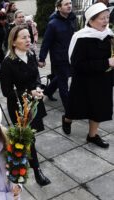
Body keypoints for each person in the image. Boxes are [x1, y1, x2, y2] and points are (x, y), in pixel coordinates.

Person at [0, 25, 51, 186]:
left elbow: (36, 76)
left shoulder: (31, 54)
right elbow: (6, 91)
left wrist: (38, 88)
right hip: (19, 108)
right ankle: (35, 171)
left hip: (34, 103)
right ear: (14, 42)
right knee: (28, 140)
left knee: (31, 137)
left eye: (28, 36)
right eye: (23, 37)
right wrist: (29, 93)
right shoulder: (8, 63)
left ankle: (25, 163)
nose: (28, 40)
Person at [63, 3, 114, 148]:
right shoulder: (81, 38)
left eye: (107, 17)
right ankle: (67, 119)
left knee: (98, 109)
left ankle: (92, 136)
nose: (106, 21)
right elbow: (78, 65)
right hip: (84, 81)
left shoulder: (109, 36)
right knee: (76, 106)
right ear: (90, 21)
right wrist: (106, 63)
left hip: (103, 81)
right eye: (102, 18)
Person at [38, 0, 76, 105]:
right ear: (59, 8)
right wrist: (42, 58)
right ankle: (69, 110)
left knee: (61, 77)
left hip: (71, 56)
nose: (69, 6)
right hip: (59, 58)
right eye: (66, 4)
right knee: (64, 84)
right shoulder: (53, 24)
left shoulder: (73, 19)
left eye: (70, 3)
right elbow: (46, 42)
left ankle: (48, 91)